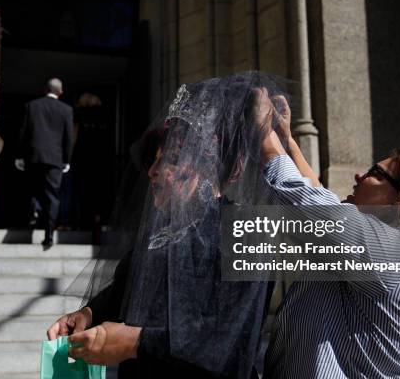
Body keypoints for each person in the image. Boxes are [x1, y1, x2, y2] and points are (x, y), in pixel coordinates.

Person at [46, 73, 284, 378]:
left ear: (208, 167)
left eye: (170, 159)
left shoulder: (244, 233)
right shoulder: (163, 232)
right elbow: (125, 288)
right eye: (153, 160)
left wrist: (136, 342)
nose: (153, 172)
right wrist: (88, 313)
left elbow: (230, 342)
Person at [257, 89, 400, 378]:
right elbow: (320, 196)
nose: (359, 176)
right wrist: (287, 141)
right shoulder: (392, 249)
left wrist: (264, 136)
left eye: (375, 173)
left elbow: (315, 209)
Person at [16, 78, 74, 249]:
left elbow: (22, 132)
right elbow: (68, 138)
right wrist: (66, 159)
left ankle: (35, 208)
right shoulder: (66, 110)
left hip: (34, 156)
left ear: (45, 89)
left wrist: (20, 156)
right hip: (55, 159)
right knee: (52, 197)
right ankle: (48, 237)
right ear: (60, 92)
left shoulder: (31, 106)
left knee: (33, 187)